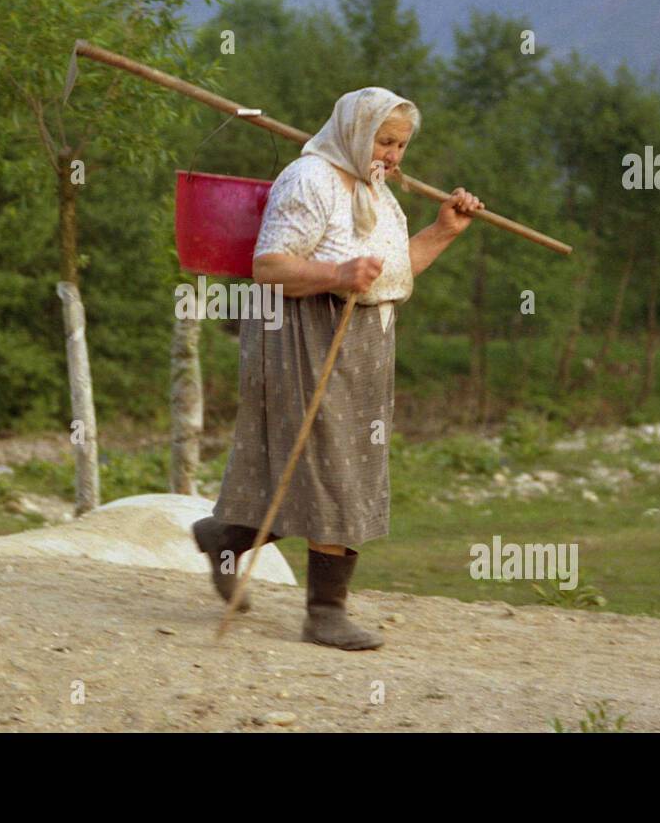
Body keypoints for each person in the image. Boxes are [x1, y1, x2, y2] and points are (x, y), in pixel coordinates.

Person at [191, 86, 484, 650]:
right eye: (385, 140)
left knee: (331, 472)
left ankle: (224, 536)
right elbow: (269, 267)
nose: (394, 154)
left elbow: (394, 274)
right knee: (333, 473)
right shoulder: (310, 180)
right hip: (303, 337)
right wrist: (335, 275)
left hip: (365, 342)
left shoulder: (377, 190)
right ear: (355, 132)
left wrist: (444, 230)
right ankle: (325, 612)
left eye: (401, 144)